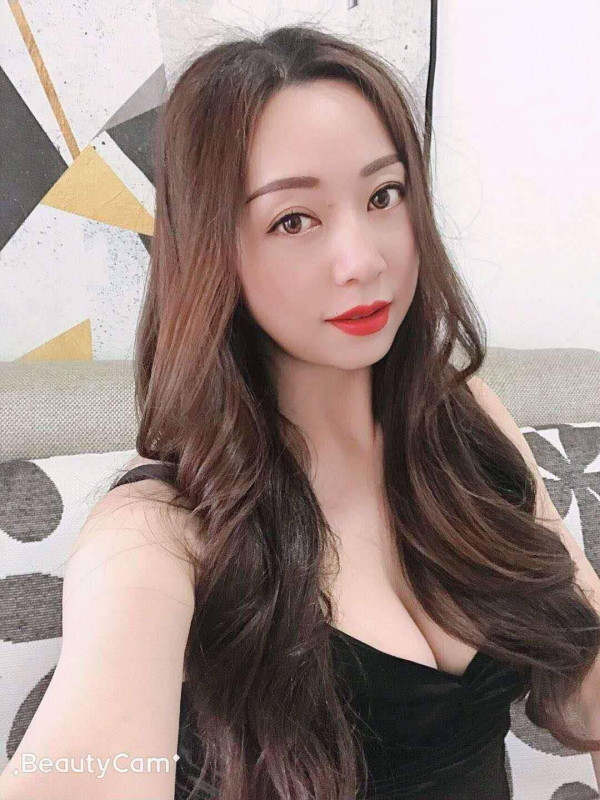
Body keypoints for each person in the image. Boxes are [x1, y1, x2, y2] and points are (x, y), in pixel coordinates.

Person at [2, 21, 600, 800]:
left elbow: (584, 687)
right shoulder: (158, 537)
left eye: (383, 196)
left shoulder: (463, 422)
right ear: (215, 250)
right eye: (293, 220)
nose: (363, 260)